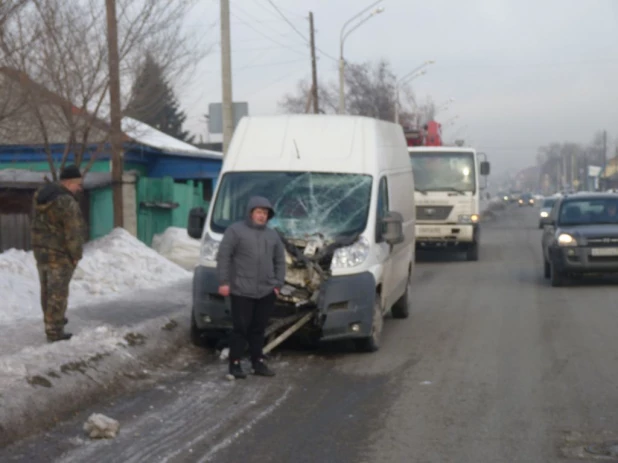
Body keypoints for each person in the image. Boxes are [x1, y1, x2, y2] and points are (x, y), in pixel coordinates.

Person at [216, 196, 286, 379]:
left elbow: (280, 260)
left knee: (258, 329)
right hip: (241, 289)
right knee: (241, 328)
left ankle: (258, 363)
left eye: (265, 213)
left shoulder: (272, 235)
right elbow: (223, 257)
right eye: (259, 212)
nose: (262, 216)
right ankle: (235, 364)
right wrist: (224, 282)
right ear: (250, 212)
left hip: (266, 291)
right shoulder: (235, 231)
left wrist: (277, 284)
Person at [31, 165, 85, 342]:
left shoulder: (40, 196)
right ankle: (55, 331)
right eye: (78, 184)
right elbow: (74, 231)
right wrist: (76, 254)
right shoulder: (67, 201)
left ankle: (52, 320)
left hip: (41, 250)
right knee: (58, 292)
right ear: (69, 182)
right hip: (60, 253)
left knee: (47, 289)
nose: (79, 188)